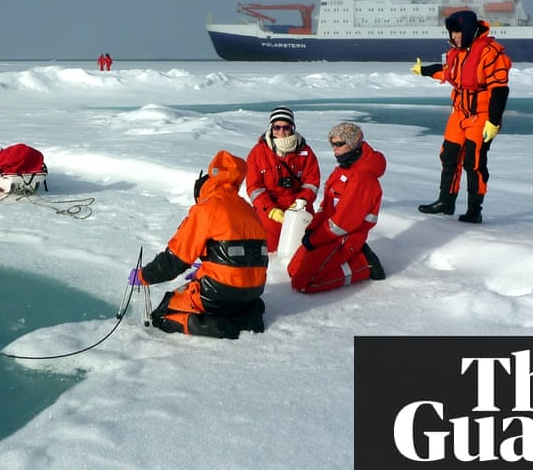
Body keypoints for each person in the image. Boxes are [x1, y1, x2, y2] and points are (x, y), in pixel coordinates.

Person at [129, 150, 268, 339]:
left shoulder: (206, 209)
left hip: (219, 292)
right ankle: (247, 316)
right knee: (234, 300)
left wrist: (144, 275)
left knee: (162, 313)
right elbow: (241, 251)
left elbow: (175, 260)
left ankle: (220, 326)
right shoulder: (248, 209)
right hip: (254, 291)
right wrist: (208, 264)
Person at [411, 9, 511, 223]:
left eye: (457, 32)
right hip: (459, 113)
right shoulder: (459, 52)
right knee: (449, 156)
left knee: (473, 163)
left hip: (481, 115)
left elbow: (500, 89)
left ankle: (475, 210)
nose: (453, 36)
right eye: (451, 32)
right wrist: (424, 70)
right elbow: (448, 72)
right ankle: (445, 201)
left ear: (467, 30)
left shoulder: (490, 52)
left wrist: (493, 122)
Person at [287, 122, 387, 293]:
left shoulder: (362, 178)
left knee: (303, 283)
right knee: (293, 269)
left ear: (353, 144)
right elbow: (325, 206)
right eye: (332, 144)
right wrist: (312, 229)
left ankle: (363, 265)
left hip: (347, 237)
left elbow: (343, 224)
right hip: (328, 233)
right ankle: (346, 258)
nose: (334, 148)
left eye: (339, 144)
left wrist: (315, 240)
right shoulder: (343, 169)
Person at [245, 106, 321, 253]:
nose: (281, 132)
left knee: (301, 250)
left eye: (286, 127)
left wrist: (302, 202)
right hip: (270, 210)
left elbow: (312, 183)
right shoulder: (258, 153)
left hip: (299, 209)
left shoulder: (305, 152)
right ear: (271, 128)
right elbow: (254, 188)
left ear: (292, 128)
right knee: (269, 250)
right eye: (277, 127)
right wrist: (271, 210)